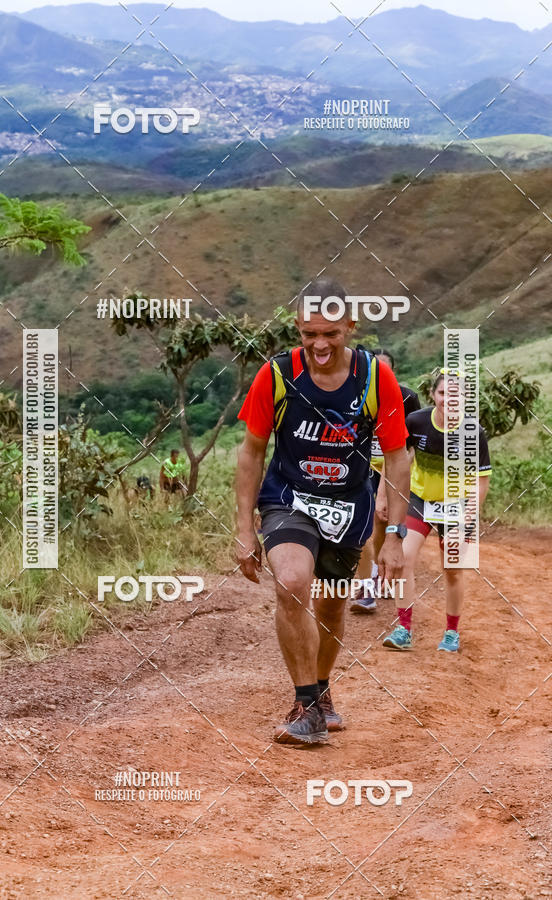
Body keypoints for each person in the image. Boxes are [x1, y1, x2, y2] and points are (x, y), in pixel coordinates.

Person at [235, 278, 410, 745]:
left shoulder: (375, 378)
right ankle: (306, 704)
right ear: (297, 327)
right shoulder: (275, 375)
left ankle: (321, 691)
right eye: (309, 333)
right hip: (288, 498)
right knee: (292, 584)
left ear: (350, 327)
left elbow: (397, 455)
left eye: (330, 333)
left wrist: (394, 536)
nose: (319, 344)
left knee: (332, 607)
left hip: (349, 508)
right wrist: (242, 530)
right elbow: (251, 452)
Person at [382, 369, 491, 653]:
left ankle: (452, 633)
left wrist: (469, 516)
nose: (448, 400)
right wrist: (384, 495)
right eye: (443, 394)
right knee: (403, 558)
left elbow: (481, 480)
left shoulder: (474, 433)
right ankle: (403, 629)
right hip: (419, 500)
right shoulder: (416, 421)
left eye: (456, 395)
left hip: (456, 506)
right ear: (433, 394)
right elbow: (396, 459)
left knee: (453, 570)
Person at [352, 349, 421, 613]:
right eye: (375, 369)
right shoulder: (354, 395)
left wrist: (395, 475)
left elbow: (412, 446)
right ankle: (366, 588)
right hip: (360, 468)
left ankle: (383, 573)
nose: (380, 374)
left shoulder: (407, 398)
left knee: (383, 524)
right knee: (362, 528)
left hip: (393, 469)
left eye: (386, 369)